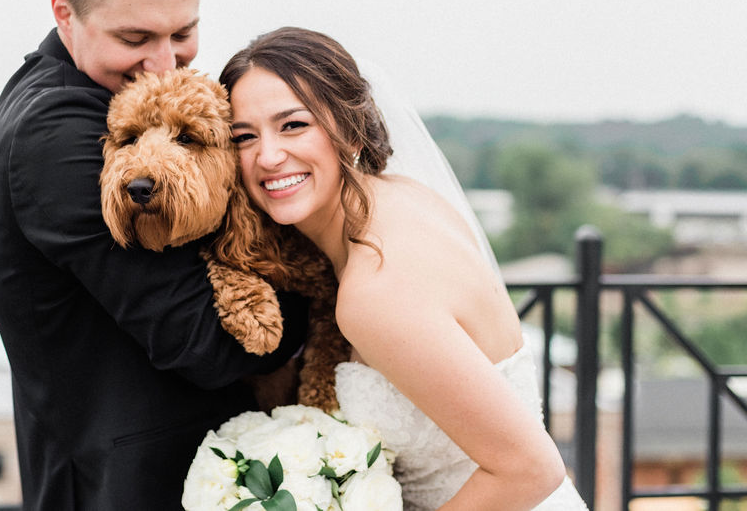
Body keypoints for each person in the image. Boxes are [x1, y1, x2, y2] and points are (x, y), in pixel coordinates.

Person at [0, 0, 306, 511]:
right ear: (64, 12)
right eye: (134, 39)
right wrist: (324, 302)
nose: (163, 64)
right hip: (129, 489)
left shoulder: (98, 99)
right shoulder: (56, 131)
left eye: (183, 32)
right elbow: (204, 341)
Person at [219, 27, 588, 510]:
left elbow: (530, 469)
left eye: (293, 125)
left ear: (348, 128)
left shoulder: (375, 290)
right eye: (244, 136)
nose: (267, 156)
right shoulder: (405, 196)